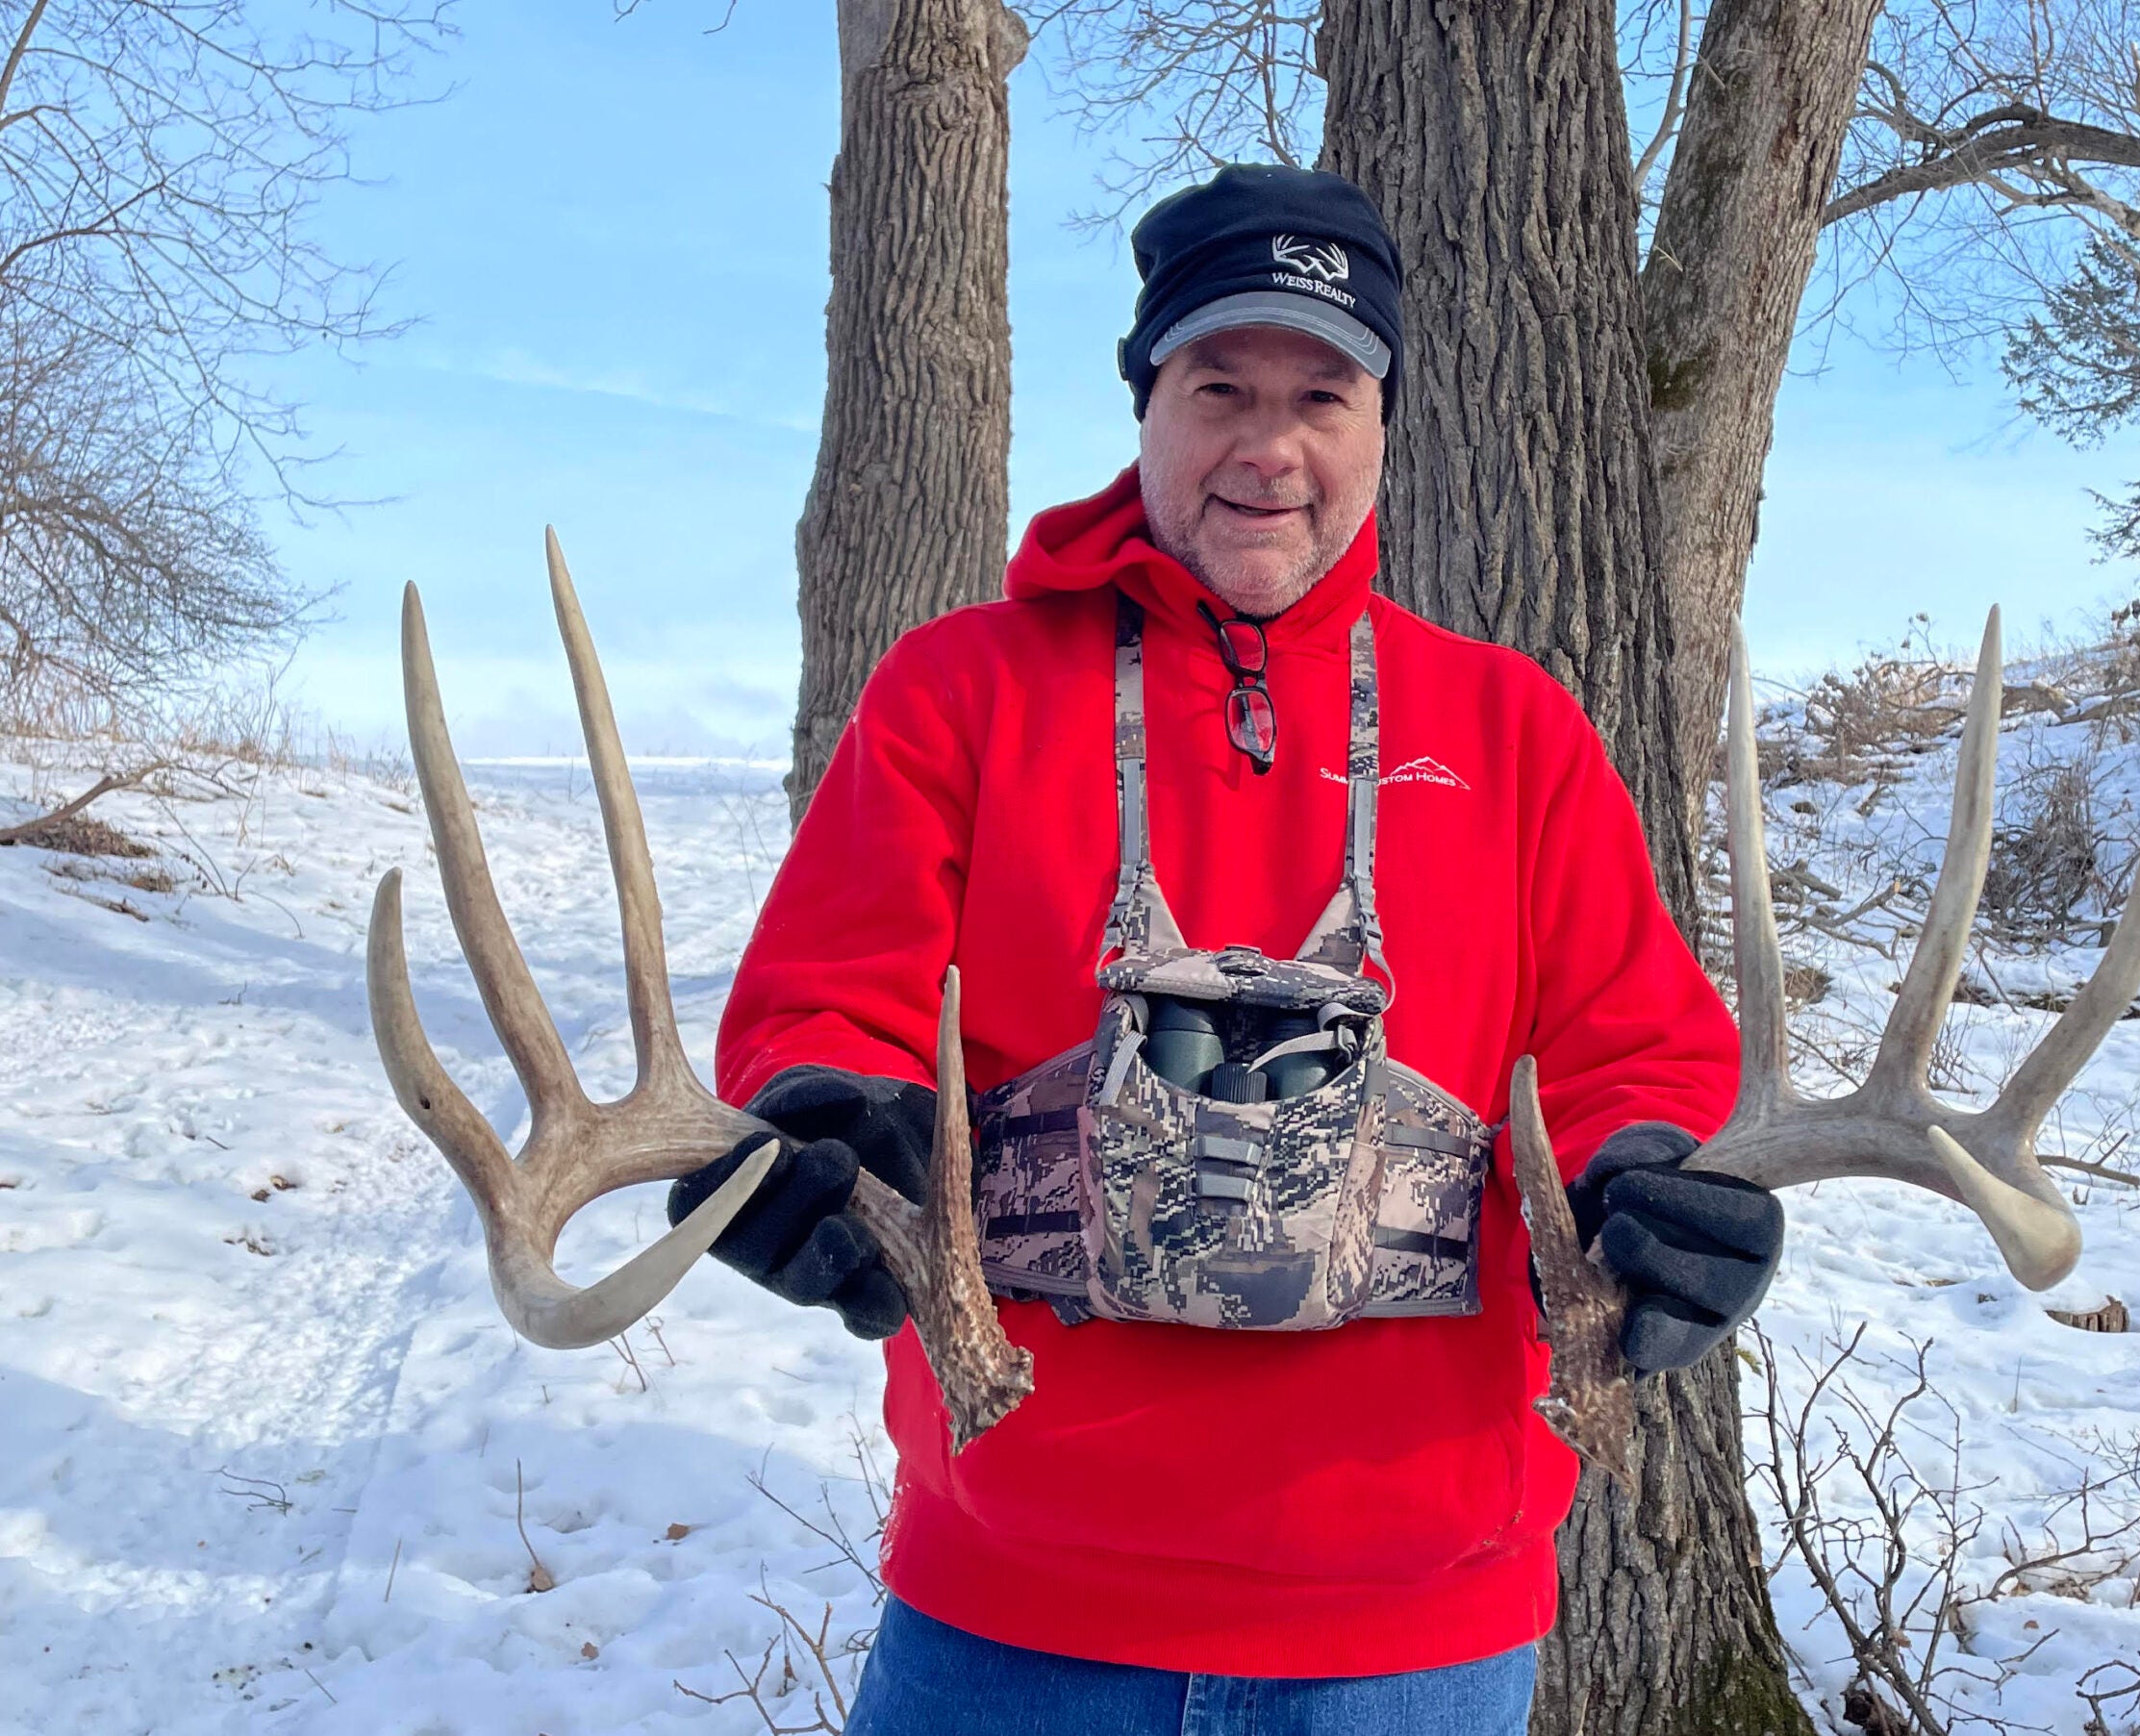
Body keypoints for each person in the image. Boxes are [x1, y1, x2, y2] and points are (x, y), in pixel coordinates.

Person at [669, 164, 1783, 1736]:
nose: (1270, 447)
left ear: (1382, 421)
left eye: (1321, 392)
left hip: (1415, 1636)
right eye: (1220, 386)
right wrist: (830, 1131)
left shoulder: (1511, 730)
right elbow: (826, 1002)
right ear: (1146, 408)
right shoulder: (963, 695)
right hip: (1019, 1614)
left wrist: (1657, 1181)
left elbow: (1630, 1047)